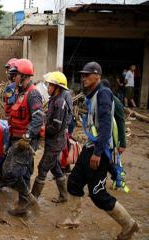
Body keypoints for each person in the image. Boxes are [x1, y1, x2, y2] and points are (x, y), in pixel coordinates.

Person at [57, 62, 139, 240]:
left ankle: (129, 224)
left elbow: (106, 126)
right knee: (74, 182)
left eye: (87, 75)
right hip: (91, 146)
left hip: (100, 151)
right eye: (83, 75)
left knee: (97, 193)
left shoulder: (103, 94)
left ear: (98, 76)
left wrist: (97, 153)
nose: (83, 78)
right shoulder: (93, 94)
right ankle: (73, 218)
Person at [1, 58, 44, 216]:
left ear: (24, 76)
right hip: (16, 137)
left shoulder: (33, 94)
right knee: (18, 172)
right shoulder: (20, 92)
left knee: (12, 172)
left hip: (25, 140)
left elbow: (39, 118)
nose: (13, 77)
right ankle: (25, 200)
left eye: (16, 75)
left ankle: (25, 200)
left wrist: (27, 136)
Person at [31, 71, 71, 203]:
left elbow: (56, 126)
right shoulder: (54, 100)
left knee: (42, 167)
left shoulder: (60, 103)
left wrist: (43, 130)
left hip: (56, 142)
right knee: (55, 167)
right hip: (53, 141)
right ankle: (64, 195)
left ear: (57, 88)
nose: (48, 88)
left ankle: (32, 198)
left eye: (50, 86)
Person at [0, 58, 19, 189]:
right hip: (11, 123)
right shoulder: (19, 87)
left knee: (3, 153)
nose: (7, 72)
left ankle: (9, 181)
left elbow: (10, 104)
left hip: (12, 124)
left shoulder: (12, 87)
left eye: (9, 69)